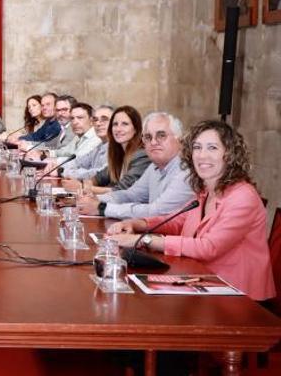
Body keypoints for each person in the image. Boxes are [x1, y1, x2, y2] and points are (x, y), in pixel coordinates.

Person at [107, 120, 275, 301]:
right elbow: (179, 221)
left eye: (212, 148)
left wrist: (146, 240)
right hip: (203, 280)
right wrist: (137, 224)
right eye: (197, 147)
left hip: (240, 298)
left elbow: (209, 247)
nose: (202, 155)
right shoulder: (205, 190)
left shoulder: (243, 196)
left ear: (230, 154)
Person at [80, 112, 194, 219]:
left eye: (161, 135)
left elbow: (157, 211)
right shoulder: (154, 166)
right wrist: (95, 199)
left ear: (179, 139)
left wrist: (102, 208)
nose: (153, 142)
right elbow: (131, 195)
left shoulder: (185, 170)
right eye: (148, 137)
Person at [87, 106, 149, 193]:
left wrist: (89, 189)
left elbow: (122, 190)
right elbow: (100, 177)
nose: (118, 129)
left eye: (125, 124)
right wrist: (87, 183)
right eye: (115, 124)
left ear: (135, 129)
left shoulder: (142, 155)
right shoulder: (119, 153)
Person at [62, 104, 113, 183]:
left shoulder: (118, 148)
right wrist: (60, 169)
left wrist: (69, 173)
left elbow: (99, 174)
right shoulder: (99, 146)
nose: (98, 124)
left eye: (104, 119)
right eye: (95, 120)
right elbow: (77, 162)